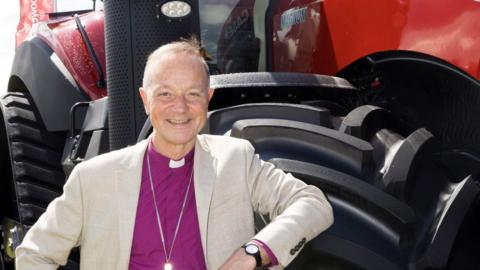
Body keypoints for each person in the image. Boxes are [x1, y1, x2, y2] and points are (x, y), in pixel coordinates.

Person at [15, 38, 333, 270]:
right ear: (145, 99)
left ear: (207, 98)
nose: (179, 108)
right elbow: (33, 255)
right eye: (164, 94)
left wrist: (253, 252)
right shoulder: (93, 178)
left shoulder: (237, 159)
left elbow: (313, 204)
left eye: (192, 94)